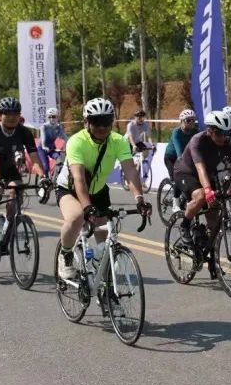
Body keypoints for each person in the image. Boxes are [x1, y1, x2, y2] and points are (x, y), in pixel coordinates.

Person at [54, 98, 150, 281]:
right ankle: (65, 254)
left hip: (98, 191)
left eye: (106, 122)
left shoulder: (118, 141)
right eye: (96, 122)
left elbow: (130, 170)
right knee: (76, 218)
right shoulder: (76, 142)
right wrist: (87, 207)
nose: (102, 127)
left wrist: (139, 199)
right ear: (86, 122)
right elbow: (79, 179)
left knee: (104, 242)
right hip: (70, 189)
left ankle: (102, 280)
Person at [172, 110, 231, 279]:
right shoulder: (198, 140)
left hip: (208, 174)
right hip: (186, 172)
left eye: (227, 133)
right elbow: (200, 169)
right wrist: (208, 190)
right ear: (210, 130)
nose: (224, 137)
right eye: (220, 133)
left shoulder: (228, 143)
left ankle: (212, 260)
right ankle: (185, 225)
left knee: (214, 221)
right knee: (201, 196)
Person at [0, 98, 45, 272]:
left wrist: (43, 177)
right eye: (7, 114)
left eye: (15, 114)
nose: (12, 117)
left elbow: (34, 158)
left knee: (17, 191)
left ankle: (8, 224)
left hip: (8, 166)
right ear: (0, 115)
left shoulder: (24, 132)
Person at [166, 109, 197, 176]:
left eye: (193, 120)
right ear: (181, 121)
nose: (191, 122)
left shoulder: (195, 131)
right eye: (188, 120)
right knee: (175, 177)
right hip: (171, 157)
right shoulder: (176, 132)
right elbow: (178, 149)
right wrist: (180, 157)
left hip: (185, 156)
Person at [37, 107, 67, 175]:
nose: (51, 119)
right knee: (45, 167)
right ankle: (44, 178)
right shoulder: (44, 126)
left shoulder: (58, 127)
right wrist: (44, 146)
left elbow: (65, 138)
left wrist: (68, 145)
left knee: (59, 160)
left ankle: (56, 177)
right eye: (49, 117)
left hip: (51, 148)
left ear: (57, 117)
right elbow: (43, 137)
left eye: (53, 117)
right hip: (42, 148)